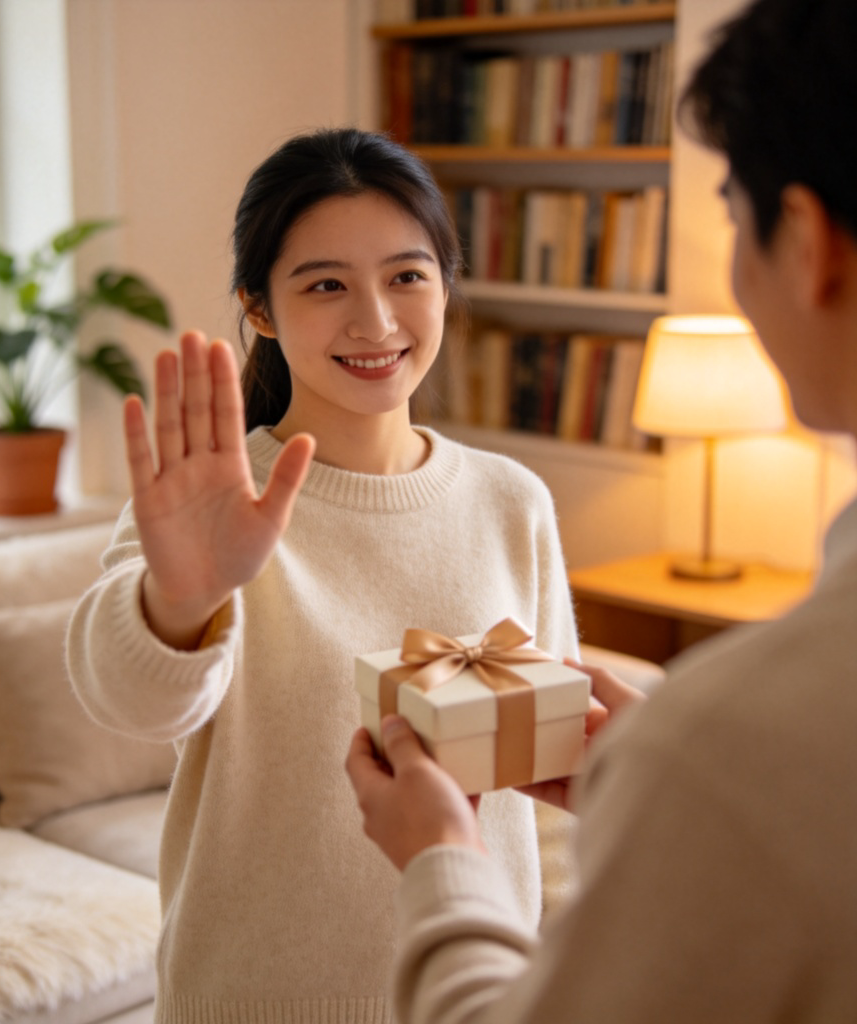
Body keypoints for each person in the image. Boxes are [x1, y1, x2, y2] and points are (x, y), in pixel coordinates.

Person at [345, 0, 857, 1021]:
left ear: (804, 240)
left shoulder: (729, 743)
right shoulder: (716, 747)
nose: (374, 319)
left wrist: (442, 859)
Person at [66, 127, 582, 1024]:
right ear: (258, 309)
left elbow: (544, 766)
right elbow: (133, 704)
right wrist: (181, 598)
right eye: (326, 285)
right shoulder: (218, 505)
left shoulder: (513, 501)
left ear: (447, 286)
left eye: (408, 276)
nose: (376, 322)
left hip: (470, 992)